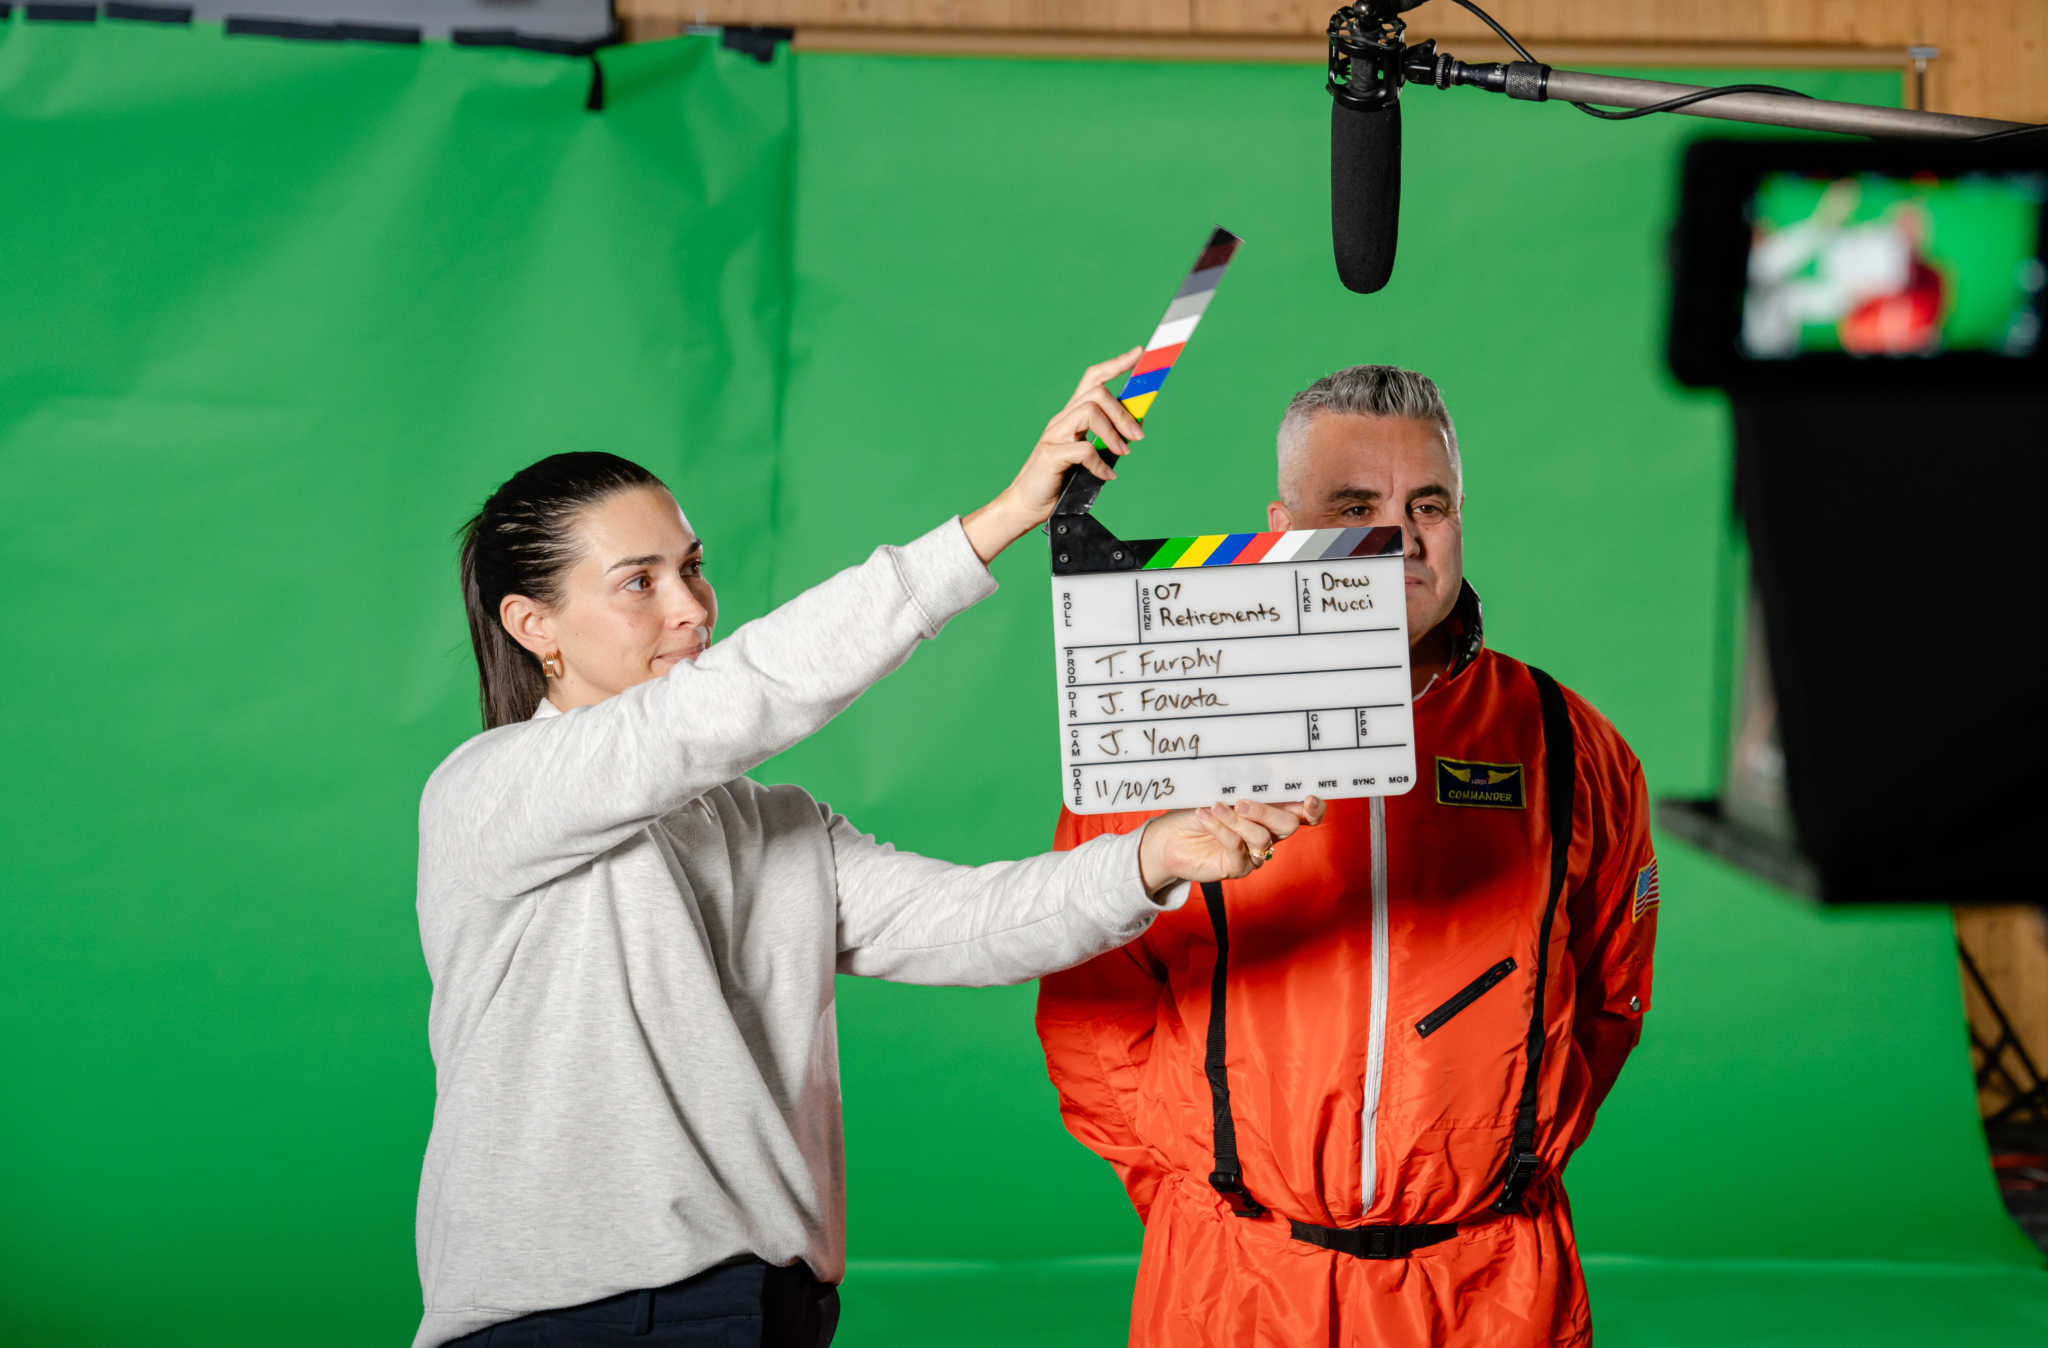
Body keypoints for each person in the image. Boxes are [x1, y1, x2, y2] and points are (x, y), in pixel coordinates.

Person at [412, 350, 1328, 1348]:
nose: (691, 607)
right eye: (638, 581)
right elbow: (728, 703)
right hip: (569, 1318)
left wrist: (1156, 853)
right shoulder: (489, 791)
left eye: (691, 565)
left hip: (769, 1307)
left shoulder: (768, 824)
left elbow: (967, 923)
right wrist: (1001, 519)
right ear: (531, 624)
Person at [1036, 365, 1659, 1347]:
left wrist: (1507, 1153)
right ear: (1283, 525)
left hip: (1489, 1289)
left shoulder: (1567, 743)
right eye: (1355, 504)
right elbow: (1088, 986)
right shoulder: (1165, 725)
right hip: (1233, 1279)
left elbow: (1610, 992)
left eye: (1429, 503)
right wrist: (1184, 1189)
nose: (1403, 535)